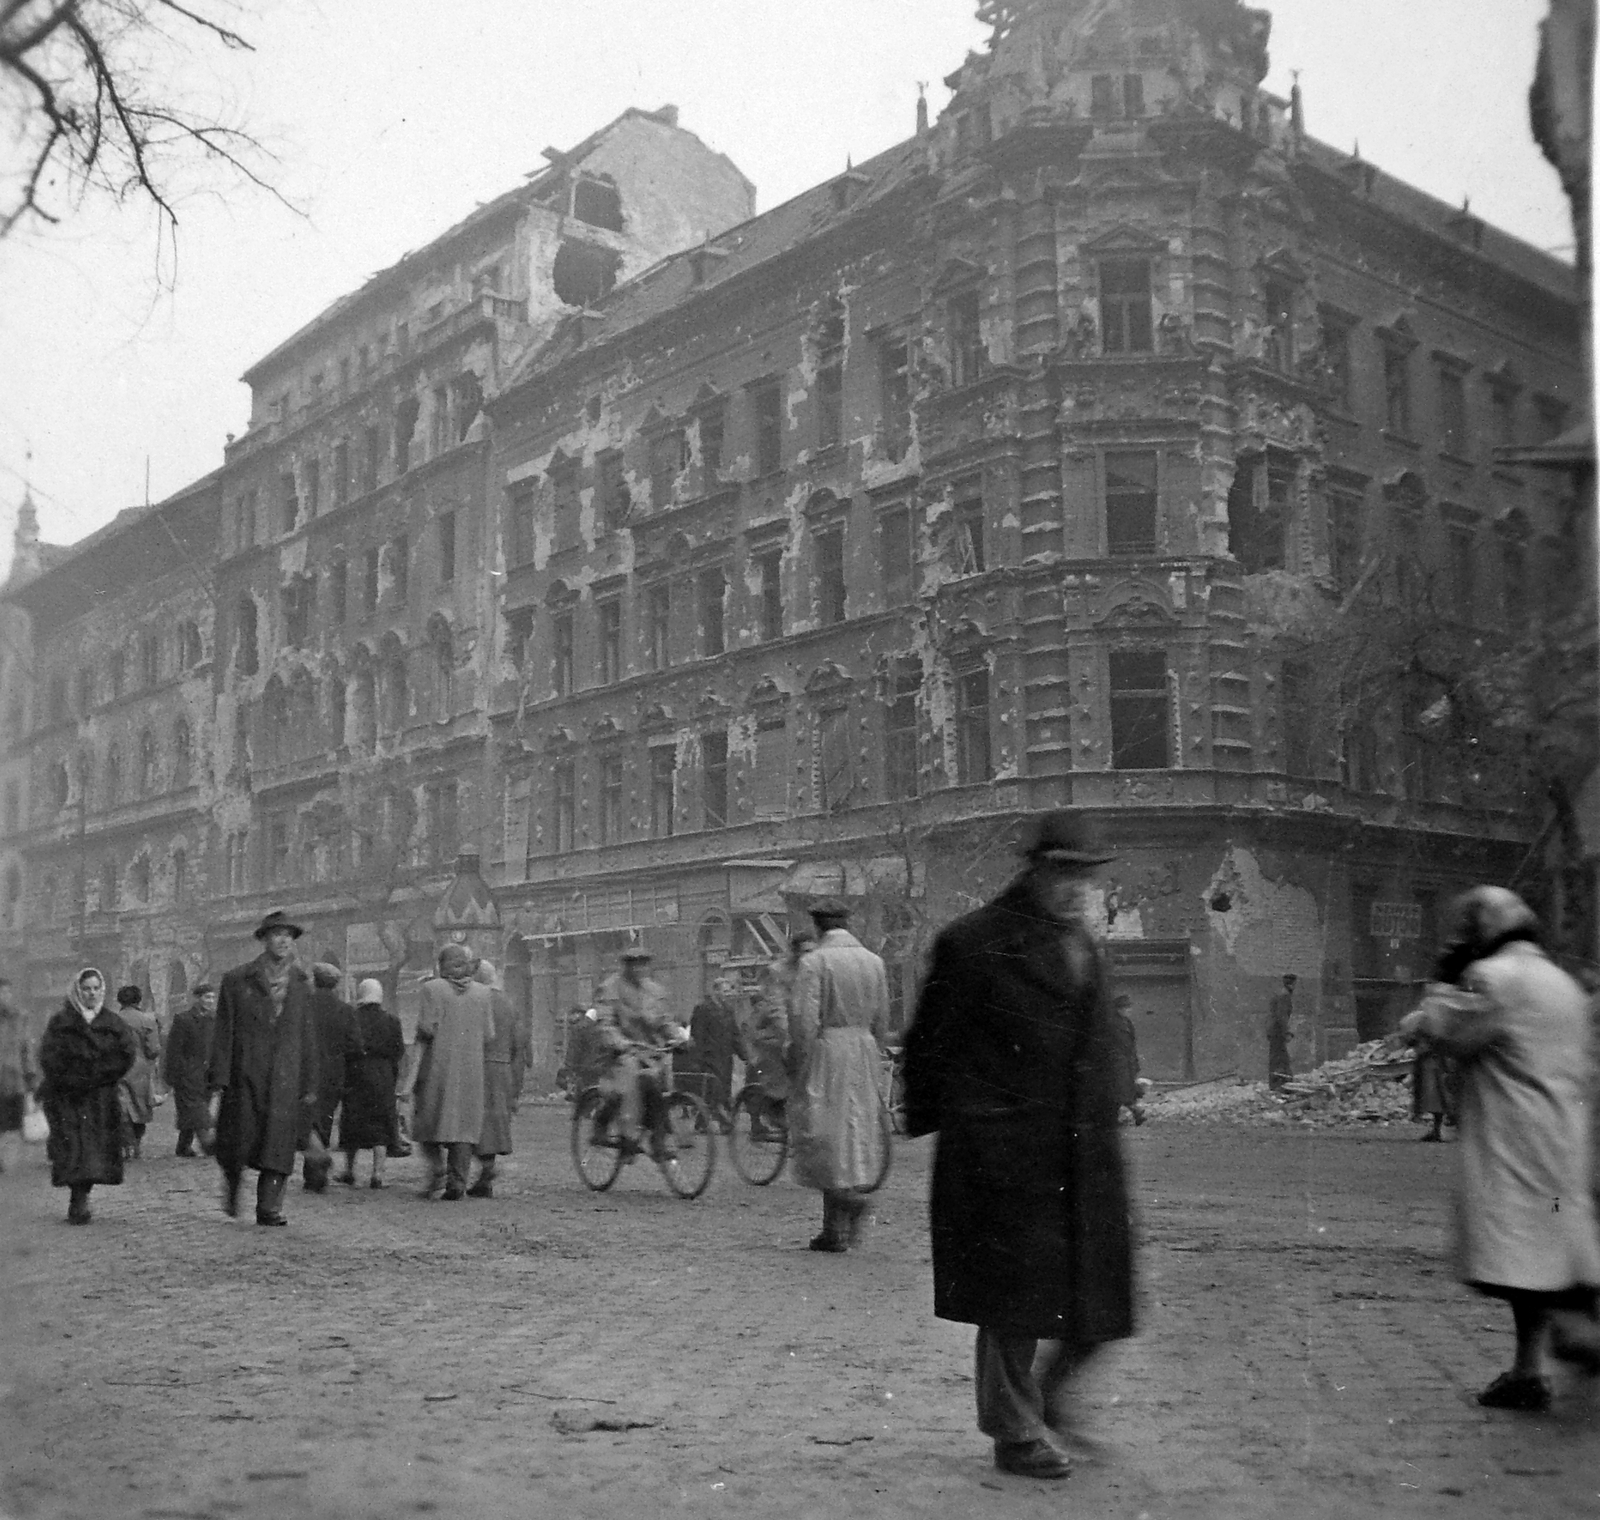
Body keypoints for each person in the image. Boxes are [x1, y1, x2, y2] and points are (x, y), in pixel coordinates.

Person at [902, 810, 1134, 1481]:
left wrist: (1120, 1091)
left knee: (1099, 1293)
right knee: (1013, 1302)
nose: (1073, 888)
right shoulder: (974, 944)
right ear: (1033, 868)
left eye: (1084, 876)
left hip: (1083, 1152)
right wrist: (972, 1126)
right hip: (1005, 1154)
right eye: (1062, 872)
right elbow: (930, 1048)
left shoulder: (1084, 944)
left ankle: (1048, 1400)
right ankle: (1014, 1430)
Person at [1398, 886, 1600, 1412]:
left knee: (1523, 1252)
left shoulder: (1492, 980)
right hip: (1562, 1143)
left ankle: (1567, 1333)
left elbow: (1441, 1030)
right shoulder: (1563, 984)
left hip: (1516, 1145)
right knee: (1549, 1243)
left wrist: (1441, 981)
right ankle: (1533, 1364)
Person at [209, 909, 325, 1226]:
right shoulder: (237, 980)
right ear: (264, 940)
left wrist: (311, 1083)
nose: (283, 940)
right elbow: (224, 1032)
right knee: (239, 1141)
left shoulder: (302, 984)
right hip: (245, 1074)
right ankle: (232, 1184)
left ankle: (268, 1207)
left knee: (278, 1144)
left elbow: (309, 1036)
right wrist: (219, 1080)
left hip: (285, 1078)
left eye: (288, 935)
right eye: (276, 934)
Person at [787, 899, 890, 1254]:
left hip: (827, 1050)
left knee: (823, 1134)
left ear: (817, 927)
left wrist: (801, 1059)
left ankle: (849, 1206)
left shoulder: (815, 962)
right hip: (863, 1050)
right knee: (852, 1135)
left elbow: (804, 1021)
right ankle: (833, 1230)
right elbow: (883, 1019)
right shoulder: (873, 962)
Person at [36, 968, 139, 1223]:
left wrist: (102, 1074)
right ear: (77, 991)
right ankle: (77, 1198)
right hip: (68, 1097)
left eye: (95, 988)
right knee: (74, 1148)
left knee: (95, 1149)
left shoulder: (113, 1023)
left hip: (100, 1097)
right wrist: (69, 1077)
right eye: (86, 988)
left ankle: (83, 1194)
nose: (91, 993)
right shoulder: (61, 1023)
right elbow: (48, 1056)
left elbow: (126, 1054)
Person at [412, 943, 495, 1200]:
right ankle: (457, 1183)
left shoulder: (431, 989)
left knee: (428, 1122)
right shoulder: (483, 993)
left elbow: (426, 1029)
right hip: (471, 1070)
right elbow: (490, 1035)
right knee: (463, 1129)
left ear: (441, 965)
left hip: (438, 1067)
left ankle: (437, 1170)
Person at [593, 946, 679, 1160]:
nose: (640, 968)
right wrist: (619, 1042)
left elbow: (664, 1021)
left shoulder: (655, 991)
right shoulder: (610, 989)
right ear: (626, 966)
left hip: (649, 1052)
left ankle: (657, 1138)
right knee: (627, 1079)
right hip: (618, 1053)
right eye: (634, 963)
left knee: (660, 1084)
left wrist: (678, 1037)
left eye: (643, 963)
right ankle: (612, 1128)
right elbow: (605, 1023)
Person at [336, 979, 405, 1188]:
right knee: (381, 1126)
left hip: (356, 1074)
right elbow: (399, 1050)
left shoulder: (352, 1018)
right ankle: (377, 1174)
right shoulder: (392, 1021)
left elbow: (344, 1048)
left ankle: (349, 1170)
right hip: (382, 1076)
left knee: (352, 1123)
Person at [743, 933, 812, 1139]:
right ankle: (774, 1106)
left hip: (803, 1031)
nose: (808, 956)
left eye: (812, 952)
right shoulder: (777, 972)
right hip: (773, 1032)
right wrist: (789, 1034)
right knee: (778, 1055)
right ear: (794, 952)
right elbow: (776, 1007)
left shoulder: (815, 970)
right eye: (804, 952)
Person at [469, 958, 527, 1199]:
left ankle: (478, 1172)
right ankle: (486, 1173)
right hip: (503, 1068)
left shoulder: (475, 1000)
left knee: (473, 1120)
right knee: (494, 1122)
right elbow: (518, 1044)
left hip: (478, 1065)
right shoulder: (508, 1003)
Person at [302, 963, 357, 1192]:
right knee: (324, 1118)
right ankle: (317, 1169)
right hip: (334, 1073)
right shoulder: (345, 1010)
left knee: (304, 1118)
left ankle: (314, 1167)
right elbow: (355, 1045)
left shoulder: (304, 1006)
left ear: (315, 980)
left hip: (305, 1071)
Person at [162, 981, 218, 1157]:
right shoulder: (183, 1019)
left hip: (208, 1074)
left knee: (193, 1111)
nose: (210, 1001)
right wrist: (173, 1075)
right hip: (187, 1074)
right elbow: (173, 1050)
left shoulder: (214, 1020)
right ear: (198, 998)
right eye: (207, 997)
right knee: (198, 1113)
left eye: (212, 997)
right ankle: (208, 1145)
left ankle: (183, 1146)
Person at [114, 983, 162, 1160]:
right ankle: (137, 1143)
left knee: (123, 1108)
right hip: (140, 1070)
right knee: (140, 1108)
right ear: (138, 999)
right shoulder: (147, 1020)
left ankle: (126, 1144)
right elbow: (153, 1049)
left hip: (118, 1069)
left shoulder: (113, 1020)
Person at [687, 976, 742, 1124]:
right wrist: (697, 1060)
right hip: (710, 1058)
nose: (727, 994)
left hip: (726, 1057)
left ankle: (701, 1122)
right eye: (724, 991)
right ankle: (723, 1122)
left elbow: (734, 1034)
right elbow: (697, 1035)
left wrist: (745, 1055)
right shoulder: (703, 1008)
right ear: (715, 991)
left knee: (723, 1090)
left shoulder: (729, 1010)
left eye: (729, 991)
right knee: (714, 1092)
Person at [0, 976, 40, 1176]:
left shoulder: (20, 1018)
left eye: (7, 992)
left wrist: (31, 1077)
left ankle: (8, 1163)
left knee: (12, 1125)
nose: (4, 997)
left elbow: (27, 1050)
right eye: (1, 992)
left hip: (13, 1080)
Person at [1111, 993, 1148, 1126]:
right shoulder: (1112, 1023)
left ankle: (1117, 1118)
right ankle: (1137, 1114)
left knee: (1123, 1091)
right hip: (1117, 1063)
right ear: (1118, 1009)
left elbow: (1131, 1044)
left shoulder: (1127, 1022)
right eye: (1126, 1008)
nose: (1128, 1011)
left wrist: (1135, 1063)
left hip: (1128, 1062)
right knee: (1121, 1091)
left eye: (1128, 1008)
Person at [1266, 974, 1296, 1090]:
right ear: (1291, 984)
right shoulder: (1284, 996)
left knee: (1277, 1057)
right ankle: (1280, 1084)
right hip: (1277, 1031)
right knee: (1280, 1058)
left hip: (1274, 1030)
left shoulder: (1280, 994)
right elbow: (1281, 1016)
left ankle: (1278, 1083)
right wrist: (1287, 1032)